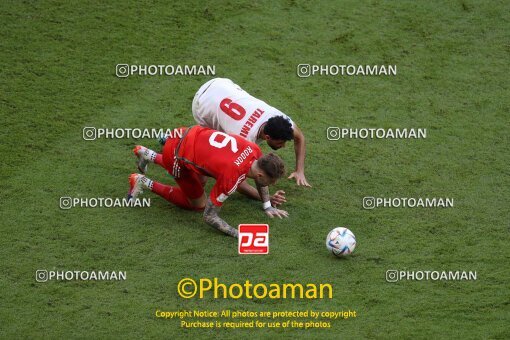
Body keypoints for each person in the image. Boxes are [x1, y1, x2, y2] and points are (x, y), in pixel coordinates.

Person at [128, 126, 289, 238]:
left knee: (201, 176)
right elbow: (209, 216)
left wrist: (267, 204)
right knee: (198, 204)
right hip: (176, 152)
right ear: (260, 175)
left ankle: (147, 154)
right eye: (272, 180)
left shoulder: (255, 150)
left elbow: (260, 181)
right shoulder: (230, 178)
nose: (273, 183)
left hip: (185, 132)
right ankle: (142, 181)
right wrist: (238, 234)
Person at [190, 78, 311, 187]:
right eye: (280, 142)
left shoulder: (278, 118)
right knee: (208, 165)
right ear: (267, 137)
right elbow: (238, 181)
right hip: (202, 103)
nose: (283, 145)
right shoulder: (243, 139)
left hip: (221, 84)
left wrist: (299, 171)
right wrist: (267, 202)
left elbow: (299, 137)